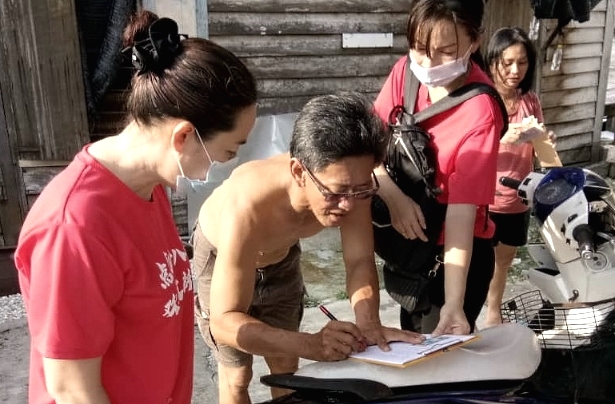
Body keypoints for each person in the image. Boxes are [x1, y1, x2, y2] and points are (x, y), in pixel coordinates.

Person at [14, 10, 257, 404]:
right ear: (182, 137)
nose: (226, 165)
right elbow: (74, 389)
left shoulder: (150, 186)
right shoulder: (74, 227)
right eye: (227, 151)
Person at [193, 92, 424, 404]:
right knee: (237, 377)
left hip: (281, 258)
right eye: (336, 191)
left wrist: (369, 324)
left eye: (361, 189)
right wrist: (313, 345)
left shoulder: (352, 186)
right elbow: (224, 322)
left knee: (287, 367)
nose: (348, 204)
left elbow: (358, 261)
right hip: (222, 257)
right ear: (299, 173)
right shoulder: (247, 203)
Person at [372, 0, 505, 335]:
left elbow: (462, 213)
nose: (428, 63)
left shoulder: (480, 111)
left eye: (446, 51)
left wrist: (454, 304)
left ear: (475, 41)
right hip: (408, 252)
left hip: (452, 261)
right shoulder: (405, 73)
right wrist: (392, 195)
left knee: (440, 361)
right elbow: (370, 146)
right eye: (419, 48)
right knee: (412, 340)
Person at [483, 27, 558, 327]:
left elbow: (539, 148)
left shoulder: (530, 101)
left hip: (517, 198)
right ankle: (462, 313)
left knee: (503, 262)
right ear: (492, 62)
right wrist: (503, 137)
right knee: (476, 263)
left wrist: (544, 140)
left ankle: (492, 312)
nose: (515, 70)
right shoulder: (483, 100)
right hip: (483, 199)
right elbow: (467, 148)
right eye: (507, 62)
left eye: (522, 62)